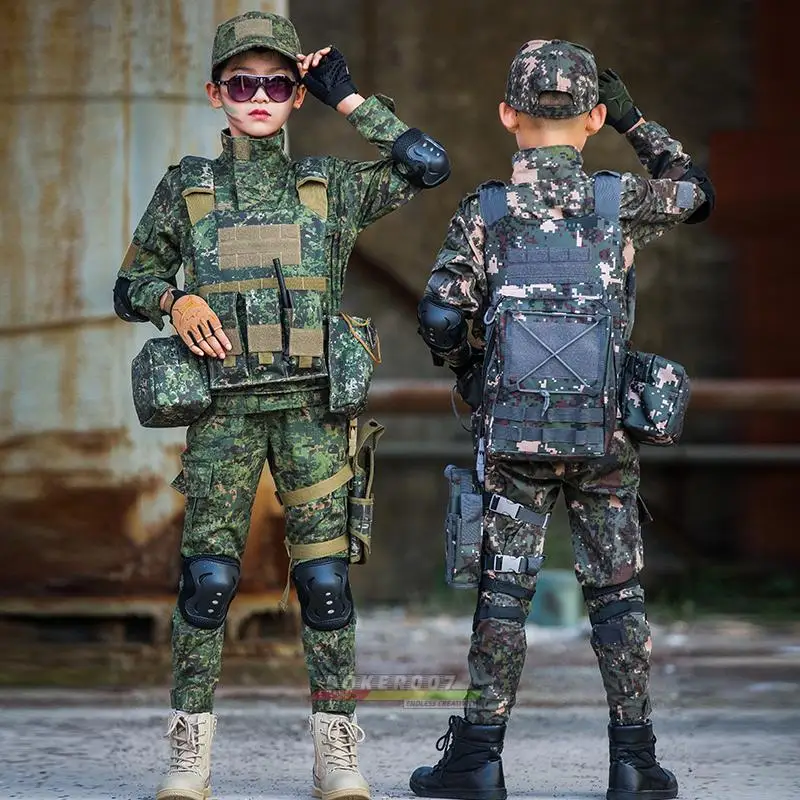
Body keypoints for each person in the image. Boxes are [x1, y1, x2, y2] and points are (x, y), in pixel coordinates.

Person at [113, 10, 450, 800]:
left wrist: (351, 99)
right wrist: (174, 299)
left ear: (295, 94)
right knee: (207, 582)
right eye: (242, 82)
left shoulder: (330, 187)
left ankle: (338, 753)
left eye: (277, 82)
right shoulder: (187, 187)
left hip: (311, 413)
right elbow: (128, 287)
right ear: (215, 93)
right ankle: (188, 755)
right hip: (223, 415)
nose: (258, 95)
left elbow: (427, 165)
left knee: (326, 582)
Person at [411, 39, 714, 800]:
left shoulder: (486, 210)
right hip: (603, 433)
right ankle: (634, 761)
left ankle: (477, 760)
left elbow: (440, 314)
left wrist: (472, 373)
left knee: (502, 593)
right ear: (593, 118)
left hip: (512, 436)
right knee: (616, 592)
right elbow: (695, 190)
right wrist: (638, 122)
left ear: (507, 114)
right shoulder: (619, 202)